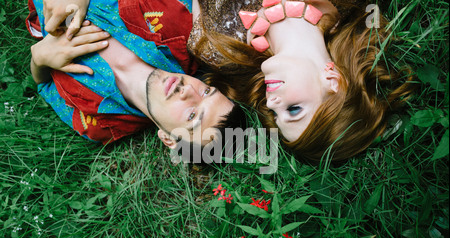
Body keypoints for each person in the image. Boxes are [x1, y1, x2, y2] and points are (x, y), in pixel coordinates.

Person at [187, 0, 413, 162]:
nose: (272, 104)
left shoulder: (219, 50)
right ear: (333, 81)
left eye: (277, 115)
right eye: (294, 110)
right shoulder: (348, 3)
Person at [26, 0, 245, 151]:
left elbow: (44, 86)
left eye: (192, 116)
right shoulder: (179, 24)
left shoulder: (98, 125)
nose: (188, 90)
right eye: (206, 91)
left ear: (168, 139)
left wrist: (39, 59)